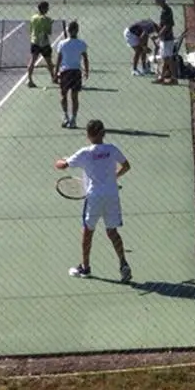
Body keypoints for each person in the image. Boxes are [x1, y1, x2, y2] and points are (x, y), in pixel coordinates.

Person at [54, 119, 132, 282]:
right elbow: (126, 166)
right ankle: (123, 264)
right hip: (112, 195)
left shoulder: (85, 152)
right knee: (112, 231)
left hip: (94, 197)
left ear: (88, 135)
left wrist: (61, 160)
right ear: (103, 133)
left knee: (88, 231)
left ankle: (85, 267)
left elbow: (62, 165)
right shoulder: (112, 149)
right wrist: (113, 177)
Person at [55, 20, 90, 129]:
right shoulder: (81, 43)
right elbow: (85, 58)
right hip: (75, 72)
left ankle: (67, 117)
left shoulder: (62, 43)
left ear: (69, 31)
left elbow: (59, 59)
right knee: (74, 97)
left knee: (63, 95)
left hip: (65, 72)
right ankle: (72, 119)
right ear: (77, 30)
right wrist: (86, 71)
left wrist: (55, 72)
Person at [27, 0, 57, 88]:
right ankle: (53, 78)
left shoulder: (33, 17)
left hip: (35, 41)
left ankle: (29, 80)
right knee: (49, 62)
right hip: (44, 43)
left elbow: (31, 29)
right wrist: (50, 24)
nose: (48, 9)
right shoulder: (47, 19)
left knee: (32, 61)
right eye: (47, 8)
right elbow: (49, 32)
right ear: (44, 9)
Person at [152, 0, 178, 85]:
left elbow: (167, 26)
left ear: (161, 0)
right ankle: (162, 77)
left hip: (167, 38)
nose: (155, 1)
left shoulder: (167, 10)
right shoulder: (164, 10)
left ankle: (174, 78)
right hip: (164, 38)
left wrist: (158, 35)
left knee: (169, 59)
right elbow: (163, 24)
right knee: (165, 59)